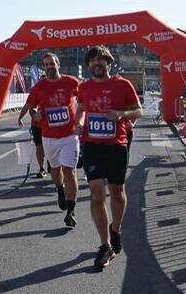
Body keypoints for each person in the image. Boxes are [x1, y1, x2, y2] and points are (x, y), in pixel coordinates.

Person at [75, 45, 142, 269]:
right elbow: (82, 108)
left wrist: (121, 114)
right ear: (88, 66)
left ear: (108, 63)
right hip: (92, 145)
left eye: (101, 60)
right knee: (96, 195)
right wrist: (80, 123)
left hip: (116, 146)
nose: (97, 63)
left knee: (117, 191)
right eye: (92, 61)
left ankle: (116, 228)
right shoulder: (84, 87)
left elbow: (138, 110)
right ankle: (105, 245)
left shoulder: (123, 84)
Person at [18, 52, 80, 228]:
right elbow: (30, 106)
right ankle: (60, 189)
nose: (49, 67)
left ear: (58, 64)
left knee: (70, 171)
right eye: (46, 65)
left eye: (52, 63)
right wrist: (27, 116)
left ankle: (71, 211)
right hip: (49, 137)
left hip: (69, 135)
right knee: (55, 169)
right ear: (43, 68)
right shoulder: (39, 87)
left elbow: (84, 100)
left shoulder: (71, 82)